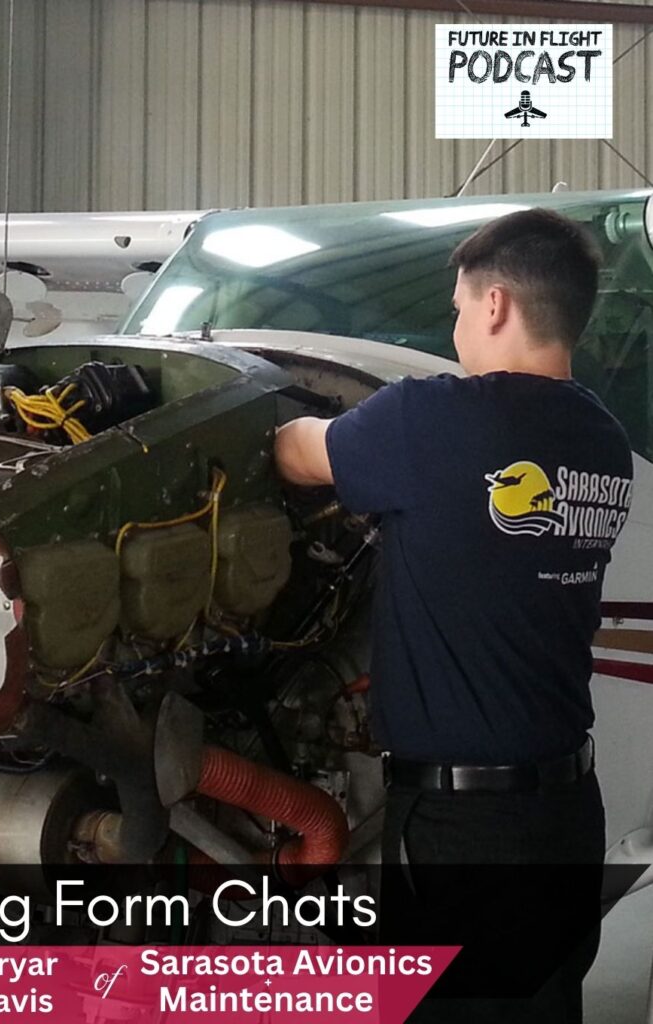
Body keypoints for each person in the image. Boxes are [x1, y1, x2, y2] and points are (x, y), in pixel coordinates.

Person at [273, 208, 634, 1022]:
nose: (456, 326)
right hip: (566, 812)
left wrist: (290, 426)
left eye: (458, 308)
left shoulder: (432, 418)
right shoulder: (603, 440)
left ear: (495, 304)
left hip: (461, 828)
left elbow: (295, 452)